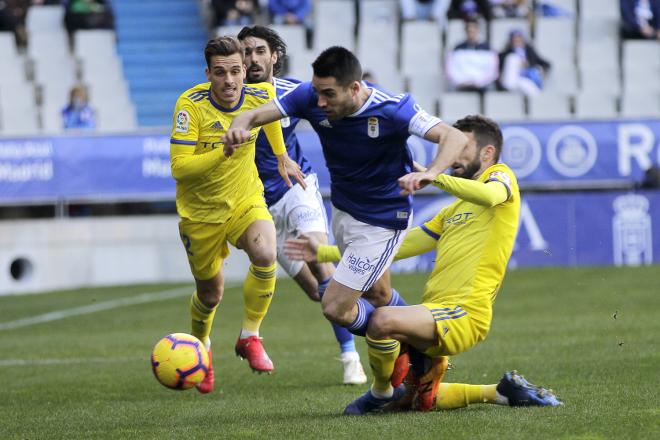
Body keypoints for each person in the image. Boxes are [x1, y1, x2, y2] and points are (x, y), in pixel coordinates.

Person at [222, 45, 469, 398]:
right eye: (317, 92)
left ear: (355, 88)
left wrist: (430, 172)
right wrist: (237, 128)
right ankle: (414, 342)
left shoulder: (394, 108)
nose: (320, 102)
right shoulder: (310, 96)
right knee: (378, 293)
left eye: (329, 94)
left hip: (385, 218)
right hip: (344, 210)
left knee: (335, 306)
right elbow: (253, 115)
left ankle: (413, 357)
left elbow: (453, 136)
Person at [286, 115, 561, 414]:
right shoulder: (453, 210)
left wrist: (436, 176)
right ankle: (499, 392)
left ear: (487, 153)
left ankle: (381, 390)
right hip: (434, 310)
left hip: (465, 313)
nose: (454, 155)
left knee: (381, 321)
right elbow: (401, 246)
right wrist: (324, 253)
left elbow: (491, 194)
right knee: (414, 401)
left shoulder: (501, 176)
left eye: (462, 147)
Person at [169, 36, 305, 394]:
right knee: (211, 293)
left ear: (245, 70)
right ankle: (201, 351)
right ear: (208, 74)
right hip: (201, 213)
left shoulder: (259, 94)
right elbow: (180, 169)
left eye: (234, 71)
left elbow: (271, 118)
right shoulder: (190, 105)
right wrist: (224, 153)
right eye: (219, 73)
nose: (229, 81)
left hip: (245, 200)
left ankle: (250, 335)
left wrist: (280, 155)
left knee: (265, 253)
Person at [236, 25, 367, 385]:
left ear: (274, 56)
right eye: (245, 52)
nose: (252, 59)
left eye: (259, 51)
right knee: (315, 290)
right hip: (258, 207)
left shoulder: (295, 92)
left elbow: (339, 105)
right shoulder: (230, 98)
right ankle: (378, 320)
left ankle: (351, 357)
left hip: (297, 187)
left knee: (321, 262)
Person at [446, 18, 498, 91]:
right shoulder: (457, 49)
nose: (471, 33)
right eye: (469, 31)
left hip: (482, 85)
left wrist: (479, 82)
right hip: (461, 85)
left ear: (477, 30)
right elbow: (451, 71)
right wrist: (462, 82)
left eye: (473, 30)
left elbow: (492, 71)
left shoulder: (487, 49)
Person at [498, 29, 551, 96]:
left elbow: (544, 63)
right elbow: (501, 68)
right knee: (513, 58)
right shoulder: (505, 54)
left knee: (533, 91)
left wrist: (530, 65)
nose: (517, 41)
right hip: (510, 80)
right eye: (515, 40)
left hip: (524, 78)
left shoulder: (529, 51)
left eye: (519, 39)